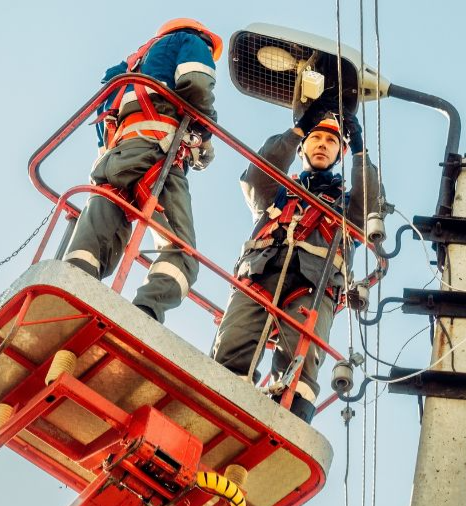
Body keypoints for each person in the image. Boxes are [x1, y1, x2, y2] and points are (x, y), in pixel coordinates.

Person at [212, 100, 382, 423]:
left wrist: (360, 150)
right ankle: (218, 410)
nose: (323, 145)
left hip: (314, 286)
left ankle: (286, 422)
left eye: (331, 141)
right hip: (259, 274)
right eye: (316, 138)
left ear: (340, 154)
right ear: (302, 148)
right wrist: (298, 129)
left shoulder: (347, 207)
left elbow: (369, 205)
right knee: (232, 346)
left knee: (300, 362)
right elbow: (256, 175)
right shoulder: (277, 191)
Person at [63, 18, 220, 323]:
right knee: (182, 253)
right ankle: (145, 313)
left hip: (116, 156)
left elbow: (104, 123)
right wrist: (205, 131)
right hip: (158, 156)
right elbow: (197, 84)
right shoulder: (191, 42)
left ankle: (72, 289)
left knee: (99, 230)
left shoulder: (127, 68)